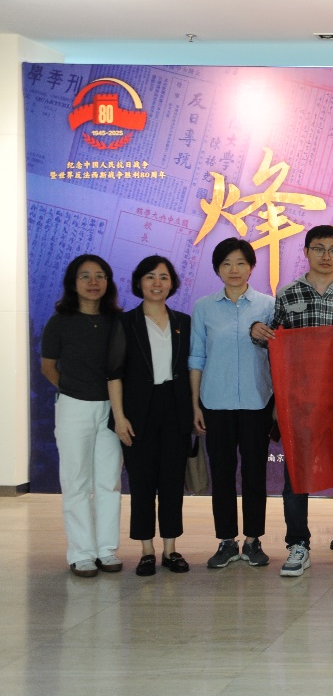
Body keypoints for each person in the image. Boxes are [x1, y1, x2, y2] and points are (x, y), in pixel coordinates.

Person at [251, 225, 333, 578]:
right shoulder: (287, 294)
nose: (326, 256)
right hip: (300, 400)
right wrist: (257, 332)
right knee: (296, 476)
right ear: (306, 252)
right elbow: (274, 340)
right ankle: (297, 544)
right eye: (319, 248)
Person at [190, 238, 275, 570]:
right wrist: (195, 404)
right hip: (216, 402)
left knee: (255, 474)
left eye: (240, 262)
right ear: (217, 269)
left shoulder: (268, 305)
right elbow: (197, 357)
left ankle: (253, 541)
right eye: (226, 263)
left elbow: (278, 355)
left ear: (251, 267)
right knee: (222, 474)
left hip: (257, 402)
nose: (234, 269)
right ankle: (226, 540)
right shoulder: (204, 308)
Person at [41, 254, 127, 578]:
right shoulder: (60, 321)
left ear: (108, 282)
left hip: (111, 409)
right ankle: (81, 553)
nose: (93, 282)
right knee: (76, 481)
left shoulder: (116, 321)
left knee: (109, 482)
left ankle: (106, 549)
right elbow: (48, 367)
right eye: (85, 276)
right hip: (74, 408)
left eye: (100, 276)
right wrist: (74, 389)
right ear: (73, 283)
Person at [110, 256, 194, 576]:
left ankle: (171, 549)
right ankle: (146, 550)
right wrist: (119, 417)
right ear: (138, 282)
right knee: (142, 482)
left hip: (175, 408)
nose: (157, 283)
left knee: (172, 481)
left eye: (163, 277)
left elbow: (191, 368)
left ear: (172, 283)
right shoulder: (125, 322)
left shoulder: (183, 322)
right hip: (137, 412)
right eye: (150, 277)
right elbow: (114, 373)